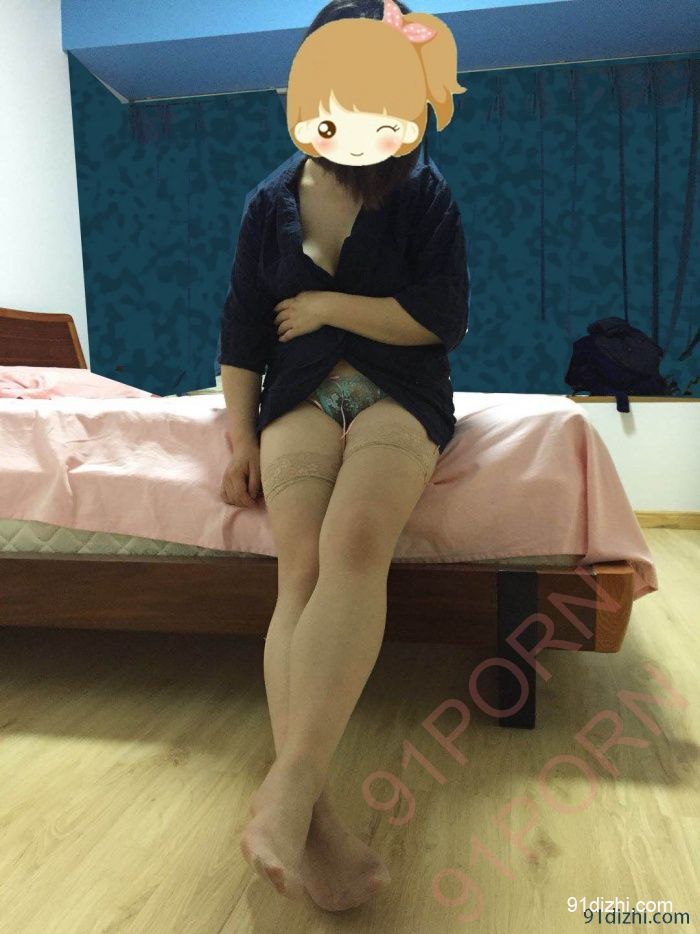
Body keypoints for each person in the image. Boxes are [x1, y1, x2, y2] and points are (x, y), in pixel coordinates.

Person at [217, 0, 469, 912]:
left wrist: (328, 308)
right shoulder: (270, 202)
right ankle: (313, 817)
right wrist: (241, 438)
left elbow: (442, 318)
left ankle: (288, 785)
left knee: (357, 543)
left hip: (401, 387)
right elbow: (243, 331)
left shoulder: (425, 193)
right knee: (301, 566)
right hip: (298, 394)